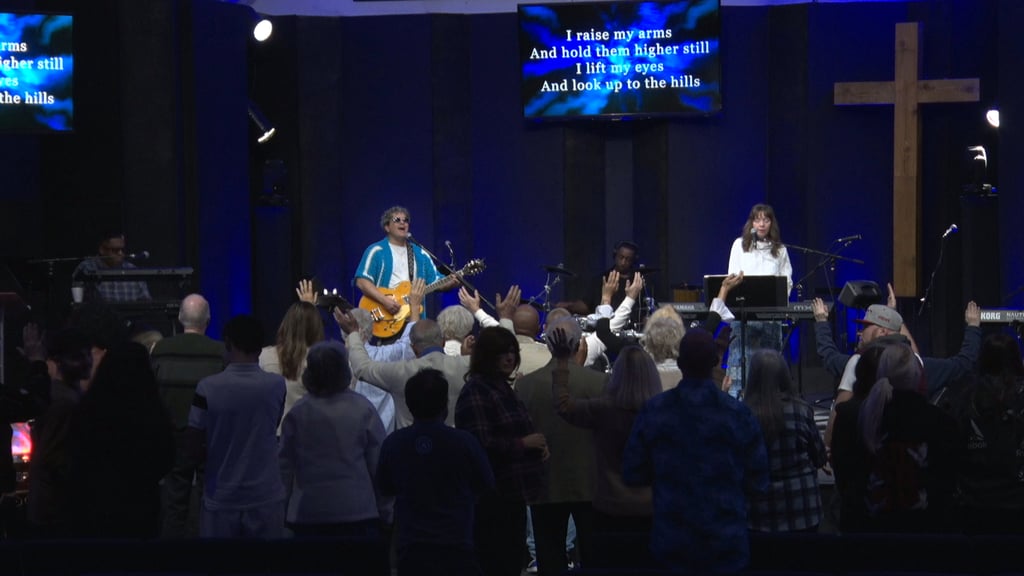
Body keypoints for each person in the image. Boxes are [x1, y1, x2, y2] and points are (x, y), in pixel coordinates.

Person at [623, 328, 769, 574]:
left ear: (679, 363)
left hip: (672, 544)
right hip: (726, 545)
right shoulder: (737, 414)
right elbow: (759, 482)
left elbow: (632, 473)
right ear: (714, 362)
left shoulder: (656, 410)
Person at [548, 328, 662, 569]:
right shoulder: (662, 414)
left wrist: (561, 362)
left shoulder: (603, 410)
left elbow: (563, 405)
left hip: (610, 506)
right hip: (653, 508)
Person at [832, 343, 963, 533]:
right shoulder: (941, 422)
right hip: (925, 534)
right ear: (917, 376)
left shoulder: (851, 416)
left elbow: (844, 479)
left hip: (866, 534)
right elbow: (947, 484)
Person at [377, 368, 495, 576]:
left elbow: (385, 487)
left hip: (411, 546)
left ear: (409, 404)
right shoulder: (464, 442)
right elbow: (486, 483)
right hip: (457, 543)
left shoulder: (393, 444)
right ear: (445, 404)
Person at [516, 318, 607, 576]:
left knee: (549, 558)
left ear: (547, 342)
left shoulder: (525, 385)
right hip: (590, 482)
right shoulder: (598, 383)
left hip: (545, 481)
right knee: (594, 557)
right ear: (579, 343)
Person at [455, 326, 548, 576]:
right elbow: (478, 444)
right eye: (502, 352)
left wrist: (537, 446)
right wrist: (523, 444)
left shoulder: (502, 388)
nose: (509, 358)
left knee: (509, 563)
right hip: (492, 498)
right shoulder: (477, 390)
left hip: (513, 495)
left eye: (512, 352)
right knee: (497, 563)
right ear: (487, 355)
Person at [185, 314, 287, 538]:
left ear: (228, 343)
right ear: (260, 347)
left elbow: (193, 443)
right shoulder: (276, 386)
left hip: (221, 494)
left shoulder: (207, 388)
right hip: (266, 494)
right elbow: (274, 424)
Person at [279, 340, 386, 538]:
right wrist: (386, 510)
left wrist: (282, 514)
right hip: (358, 511)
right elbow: (378, 464)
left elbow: (285, 470)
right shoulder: (363, 409)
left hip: (308, 513)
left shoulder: (297, 414)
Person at [69, 341, 175, 538]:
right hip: (141, 504)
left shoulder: (89, 411)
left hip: (96, 504)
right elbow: (166, 457)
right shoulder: (151, 413)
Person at [150, 293, 225, 539]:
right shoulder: (219, 352)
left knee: (174, 500)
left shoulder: (161, 349)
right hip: (209, 436)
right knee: (209, 499)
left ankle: (171, 560)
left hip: (173, 435)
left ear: (181, 318)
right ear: (208, 320)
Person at [743, 349, 827, 533]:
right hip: (803, 511)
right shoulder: (802, 411)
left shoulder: (741, 415)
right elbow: (820, 458)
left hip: (756, 515)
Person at [26, 327, 94, 538]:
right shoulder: (64, 401)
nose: (86, 361)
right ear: (58, 361)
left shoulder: (67, 395)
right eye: (77, 357)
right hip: (55, 507)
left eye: (87, 354)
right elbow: (51, 457)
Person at [725, 203, 792, 398]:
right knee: (740, 370)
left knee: (769, 371)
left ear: (772, 223)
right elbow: (732, 276)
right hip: (745, 318)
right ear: (751, 223)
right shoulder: (739, 245)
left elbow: (786, 282)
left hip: (770, 319)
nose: (761, 224)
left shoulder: (780, 250)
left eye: (766, 219)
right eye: (757, 219)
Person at [353, 206, 455, 328]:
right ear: (387, 227)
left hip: (414, 321)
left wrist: (452, 281)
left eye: (406, 220)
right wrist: (384, 301)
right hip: (385, 319)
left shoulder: (420, 254)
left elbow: (437, 282)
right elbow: (362, 282)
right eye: (397, 219)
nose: (403, 222)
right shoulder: (376, 251)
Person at [259, 300, 324, 427]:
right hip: (309, 436)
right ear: (317, 328)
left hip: (272, 435)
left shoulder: (263, 357)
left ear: (286, 324)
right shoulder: (322, 361)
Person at [71, 231, 151, 303]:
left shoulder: (133, 270)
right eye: (115, 250)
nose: (121, 254)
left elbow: (146, 302)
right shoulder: (86, 268)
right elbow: (78, 304)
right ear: (102, 250)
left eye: (122, 250)